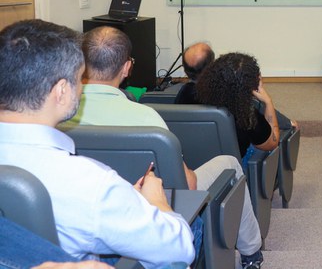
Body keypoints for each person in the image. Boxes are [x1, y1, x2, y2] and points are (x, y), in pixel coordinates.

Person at [61, 27, 264, 269]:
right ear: (126, 68)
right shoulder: (147, 119)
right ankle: (252, 253)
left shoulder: (60, 115)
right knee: (230, 163)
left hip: (77, 220)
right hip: (148, 219)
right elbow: (187, 185)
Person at [0, 20, 194, 267]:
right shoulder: (92, 184)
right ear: (61, 91)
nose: (82, 87)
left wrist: (122, 200)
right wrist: (155, 201)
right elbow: (179, 248)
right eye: (80, 78)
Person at [195, 52, 280, 160]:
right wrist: (268, 103)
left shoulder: (187, 93)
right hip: (228, 169)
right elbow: (273, 143)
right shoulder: (247, 117)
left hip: (189, 162)